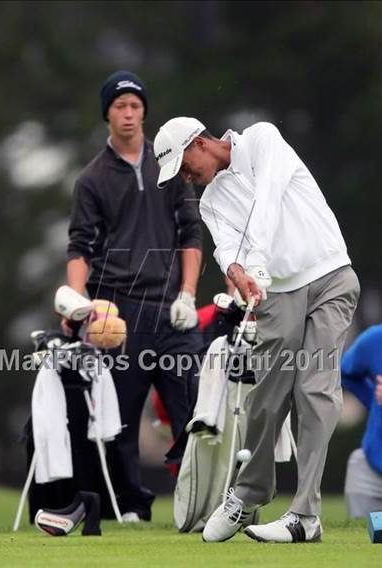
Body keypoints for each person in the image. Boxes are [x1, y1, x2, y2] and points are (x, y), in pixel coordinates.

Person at [153, 116, 360, 542]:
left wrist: (258, 259)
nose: (187, 178)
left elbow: (267, 199)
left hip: (330, 277)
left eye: (185, 166)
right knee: (267, 395)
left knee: (314, 389)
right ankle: (248, 495)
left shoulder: (263, 139)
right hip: (278, 293)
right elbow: (226, 245)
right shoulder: (209, 201)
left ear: (198, 143)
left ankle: (305, 516)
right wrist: (238, 269)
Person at [64, 73, 203, 522]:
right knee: (119, 416)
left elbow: (191, 232)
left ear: (144, 112)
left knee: (193, 408)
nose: (128, 114)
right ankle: (130, 506)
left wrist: (188, 294)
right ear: (107, 112)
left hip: (172, 312)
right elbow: (80, 247)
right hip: (118, 315)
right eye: (119, 105)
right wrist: (81, 301)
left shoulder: (169, 166)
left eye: (135, 106)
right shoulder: (92, 179)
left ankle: (201, 497)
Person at [341, 324, 382, 517]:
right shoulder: (375, 339)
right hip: (373, 468)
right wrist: (374, 403)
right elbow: (345, 373)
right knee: (365, 537)